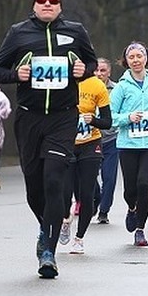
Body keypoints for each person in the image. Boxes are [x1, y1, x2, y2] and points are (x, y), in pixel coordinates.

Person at [0, 0, 97, 279]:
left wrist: (84, 71)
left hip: (63, 118)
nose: (47, 4)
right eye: (42, 0)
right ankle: (46, 226)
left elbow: (91, 62)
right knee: (34, 188)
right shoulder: (19, 33)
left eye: (53, 0)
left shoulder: (75, 31)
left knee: (54, 180)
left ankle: (48, 252)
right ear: (34, 5)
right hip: (29, 117)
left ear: (60, 5)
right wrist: (16, 74)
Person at [111, 41, 148, 246]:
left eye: (139, 56)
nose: (136, 60)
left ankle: (140, 229)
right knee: (130, 189)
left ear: (146, 58)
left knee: (144, 183)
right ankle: (131, 208)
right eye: (132, 57)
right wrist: (128, 118)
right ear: (126, 61)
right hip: (128, 144)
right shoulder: (121, 87)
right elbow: (110, 116)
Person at [59, 70, 111, 254]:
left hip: (91, 144)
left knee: (86, 193)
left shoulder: (96, 85)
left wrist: (94, 120)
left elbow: (107, 121)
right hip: (67, 144)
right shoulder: (62, 81)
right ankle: (65, 219)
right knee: (65, 192)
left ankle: (79, 238)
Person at [93, 58, 119, 224]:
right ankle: (95, 198)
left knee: (109, 177)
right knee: (89, 176)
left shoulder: (116, 90)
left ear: (109, 72)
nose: (99, 74)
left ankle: (104, 210)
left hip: (111, 139)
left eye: (102, 71)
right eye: (96, 70)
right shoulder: (86, 88)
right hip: (91, 139)